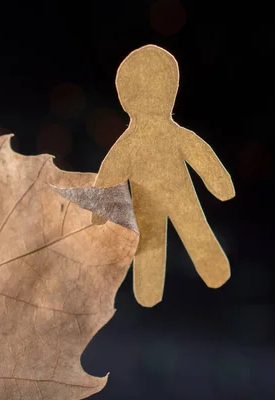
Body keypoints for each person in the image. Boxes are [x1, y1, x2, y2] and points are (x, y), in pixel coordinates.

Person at [93, 44, 235, 307]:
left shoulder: (136, 142)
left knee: (175, 234)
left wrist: (100, 210)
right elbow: (112, 171)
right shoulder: (138, 142)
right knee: (162, 237)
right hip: (155, 200)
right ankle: (154, 291)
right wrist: (221, 186)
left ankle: (161, 289)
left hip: (167, 196)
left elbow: (111, 171)